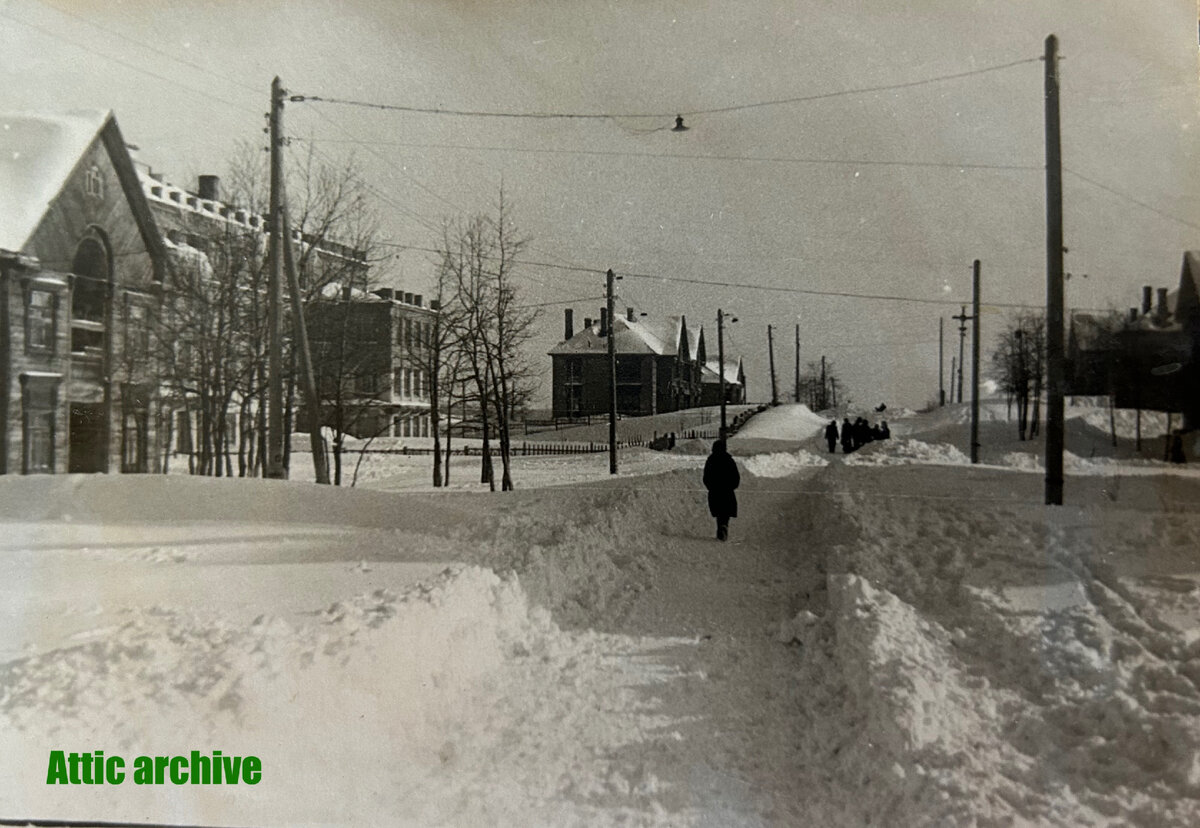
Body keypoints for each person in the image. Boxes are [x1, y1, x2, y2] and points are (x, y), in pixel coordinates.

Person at [703, 438, 741, 541]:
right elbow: (736, 476)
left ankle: (720, 528)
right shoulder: (729, 460)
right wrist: (732, 486)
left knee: (719, 511)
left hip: (715, 491)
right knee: (726, 512)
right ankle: (724, 526)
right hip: (727, 491)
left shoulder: (711, 460)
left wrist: (710, 487)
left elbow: (706, 477)